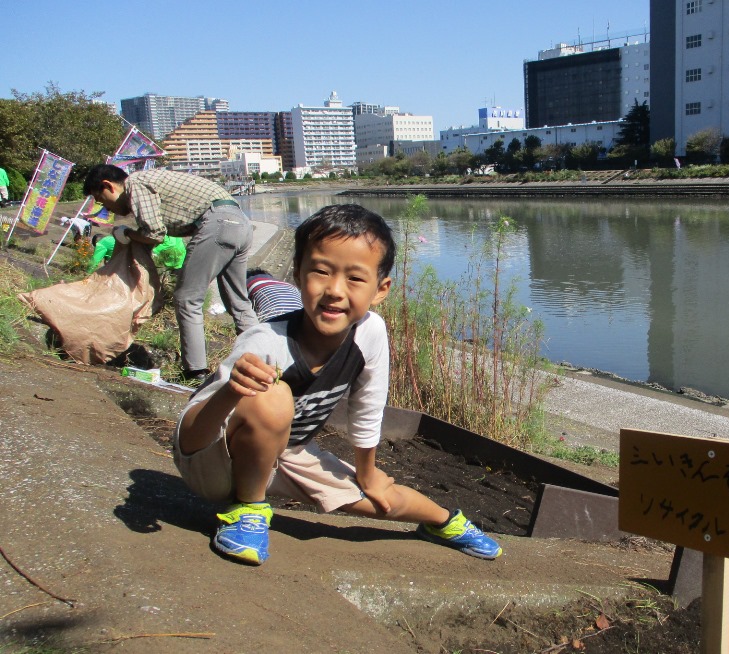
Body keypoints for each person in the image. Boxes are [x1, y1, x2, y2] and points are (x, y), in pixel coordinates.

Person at [172, 204, 502, 565]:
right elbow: (189, 439)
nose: (334, 291)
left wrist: (367, 472)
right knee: (273, 397)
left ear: (381, 289)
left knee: (380, 497)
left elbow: (368, 405)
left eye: (355, 278)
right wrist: (232, 391)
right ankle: (248, 511)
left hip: (286, 456)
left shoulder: (370, 331)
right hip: (216, 466)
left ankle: (444, 522)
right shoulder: (264, 343)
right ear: (297, 274)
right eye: (321, 272)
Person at [83, 165, 258, 381]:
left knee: (187, 299)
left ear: (108, 186)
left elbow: (155, 234)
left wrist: (127, 233)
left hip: (219, 224)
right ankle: (266, 363)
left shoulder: (134, 184)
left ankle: (196, 372)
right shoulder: (148, 181)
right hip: (240, 224)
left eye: (101, 200)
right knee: (238, 301)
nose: (106, 209)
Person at [87, 233, 187, 274]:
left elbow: (94, 261)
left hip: (159, 251)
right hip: (179, 252)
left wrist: (87, 274)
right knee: (174, 275)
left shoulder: (101, 243)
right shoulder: (112, 238)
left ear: (96, 242)